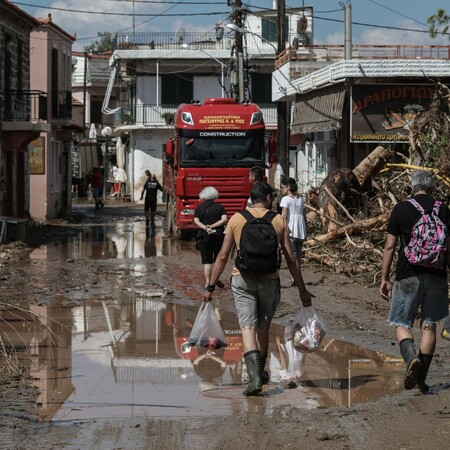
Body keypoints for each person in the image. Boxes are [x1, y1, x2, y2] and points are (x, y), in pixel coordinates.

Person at [202, 182, 314, 396]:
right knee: (263, 327)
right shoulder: (278, 220)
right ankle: (260, 371)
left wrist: (210, 286)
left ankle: (254, 377)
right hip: (270, 279)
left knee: (247, 328)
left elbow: (223, 256)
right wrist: (302, 289)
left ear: (251, 199)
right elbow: (291, 259)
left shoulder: (237, 218)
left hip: (242, 279)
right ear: (269, 199)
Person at [380, 170, 450, 394]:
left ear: (412, 186)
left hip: (407, 274)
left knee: (402, 324)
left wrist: (384, 278)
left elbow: (390, 246)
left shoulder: (402, 208)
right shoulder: (444, 208)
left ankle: (410, 357)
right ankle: (421, 380)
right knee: (429, 325)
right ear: (432, 187)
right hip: (437, 275)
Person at [193, 187, 228, 289]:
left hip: (204, 236)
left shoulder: (199, 208)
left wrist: (205, 228)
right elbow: (224, 219)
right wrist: (213, 226)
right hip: (218, 235)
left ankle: (208, 282)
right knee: (218, 259)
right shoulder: (220, 207)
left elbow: (196, 220)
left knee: (207, 261)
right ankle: (216, 279)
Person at [280, 177, 307, 286]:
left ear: (288, 187)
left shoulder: (285, 199)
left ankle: (296, 279)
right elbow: (304, 216)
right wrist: (306, 230)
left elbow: (284, 216)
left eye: (282, 187)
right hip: (301, 230)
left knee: (292, 257)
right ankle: (295, 278)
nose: (281, 189)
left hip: (291, 230)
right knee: (297, 256)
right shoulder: (301, 198)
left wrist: (281, 229)